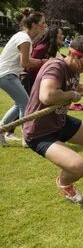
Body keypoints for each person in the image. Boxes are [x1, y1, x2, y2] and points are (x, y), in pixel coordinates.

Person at [23, 35, 83, 203]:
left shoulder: (73, 69)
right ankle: (64, 184)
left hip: (59, 122)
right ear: (73, 55)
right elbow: (47, 96)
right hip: (40, 132)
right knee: (78, 166)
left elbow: (74, 85)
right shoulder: (55, 67)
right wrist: (70, 95)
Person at [0, 9, 47, 146]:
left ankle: (2, 131)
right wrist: (43, 62)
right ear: (33, 25)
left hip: (6, 74)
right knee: (25, 104)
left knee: (19, 104)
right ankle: (27, 138)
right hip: (6, 74)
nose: (44, 26)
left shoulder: (22, 36)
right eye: (42, 23)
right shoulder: (25, 39)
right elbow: (25, 62)